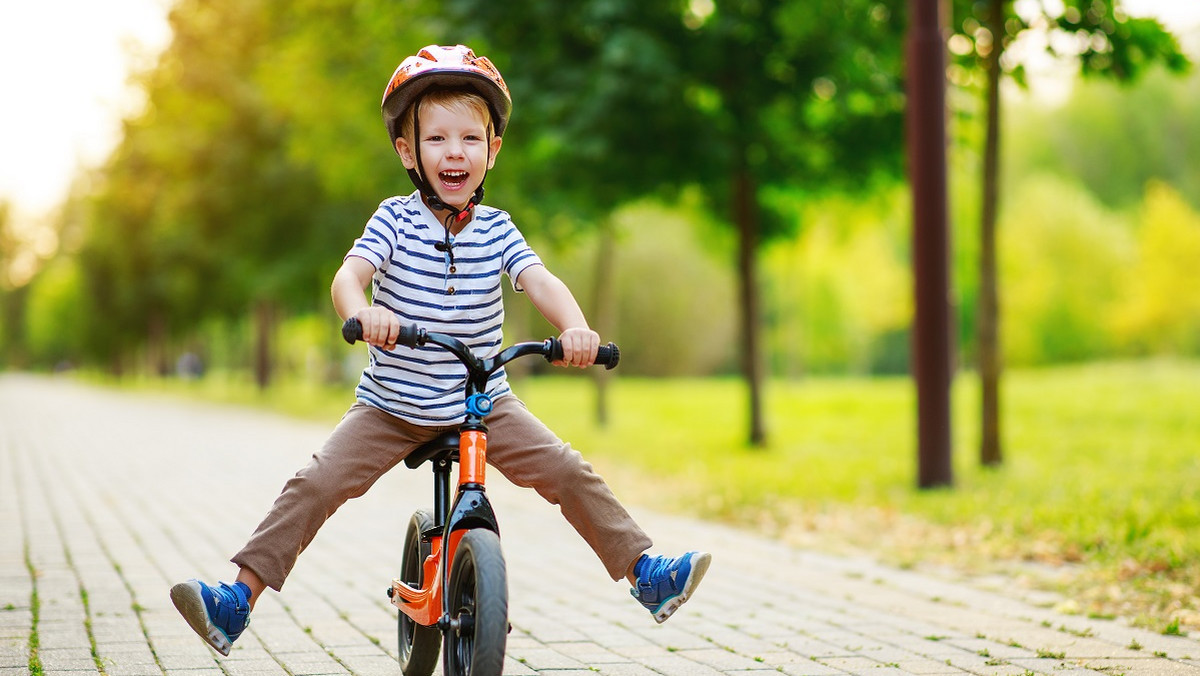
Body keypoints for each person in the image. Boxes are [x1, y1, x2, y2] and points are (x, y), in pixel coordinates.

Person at [170, 44, 710, 656]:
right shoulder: (393, 221)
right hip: (391, 404)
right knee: (316, 483)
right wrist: (362, 313)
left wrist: (577, 327)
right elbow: (347, 278)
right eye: (437, 140)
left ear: (492, 150)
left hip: (484, 403)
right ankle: (236, 599)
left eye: (470, 140)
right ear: (409, 152)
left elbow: (541, 283)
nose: (455, 152)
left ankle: (645, 574)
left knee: (566, 469)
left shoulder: (499, 228)